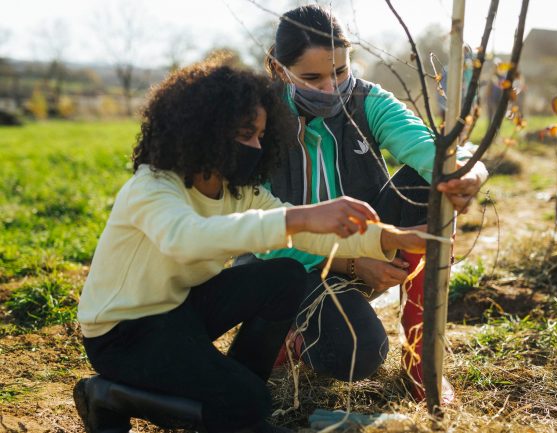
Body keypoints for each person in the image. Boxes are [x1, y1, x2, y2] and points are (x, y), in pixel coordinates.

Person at [73, 61, 427, 433]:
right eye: (245, 135)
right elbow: (185, 238)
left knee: (285, 276)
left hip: (179, 312)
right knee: (249, 403)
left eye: (260, 136)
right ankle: (109, 394)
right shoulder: (153, 187)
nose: (256, 147)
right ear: (204, 130)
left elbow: (306, 232)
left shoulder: (236, 190)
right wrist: (302, 218)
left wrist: (391, 237)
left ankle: (238, 391)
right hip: (122, 335)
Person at [241, 4, 488, 391]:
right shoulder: (259, 121)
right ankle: (292, 335)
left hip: (369, 242)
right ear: (278, 68)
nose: (331, 88)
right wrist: (351, 265)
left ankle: (421, 358)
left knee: (430, 184)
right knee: (357, 352)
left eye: (340, 71)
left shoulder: (368, 101)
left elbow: (430, 149)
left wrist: (466, 174)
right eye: (312, 78)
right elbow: (262, 233)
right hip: (290, 267)